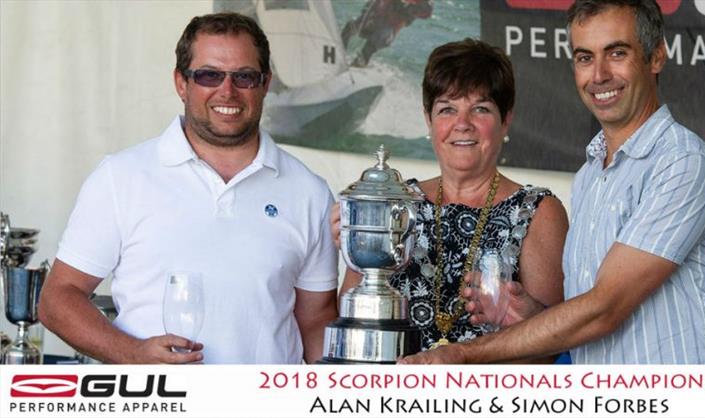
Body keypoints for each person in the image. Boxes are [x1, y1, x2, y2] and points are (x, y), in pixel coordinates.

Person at [400, 0, 705, 364]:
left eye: (617, 53)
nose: (599, 75)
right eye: (584, 57)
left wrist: (461, 355)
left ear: (656, 57)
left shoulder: (682, 163)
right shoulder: (591, 173)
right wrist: (531, 319)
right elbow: (582, 315)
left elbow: (604, 309)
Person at [38, 13, 338, 364]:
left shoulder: (310, 192)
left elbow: (316, 321)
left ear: (265, 83)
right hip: (155, 405)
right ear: (181, 83)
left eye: (244, 76)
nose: (227, 91)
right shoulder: (121, 177)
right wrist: (132, 353)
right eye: (209, 75)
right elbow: (58, 298)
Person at [333, 38, 568, 356]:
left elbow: (555, 348)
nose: (462, 124)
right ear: (429, 119)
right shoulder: (393, 204)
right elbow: (354, 321)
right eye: (447, 109)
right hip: (394, 399)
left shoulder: (539, 211)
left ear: (506, 119)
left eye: (480, 109)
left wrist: (530, 319)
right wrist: (355, 242)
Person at [341, 0, 433, 67]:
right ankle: (339, 55)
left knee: (370, 45)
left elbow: (427, 13)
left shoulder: (422, 6)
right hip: (372, 21)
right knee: (349, 27)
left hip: (387, 31)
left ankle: (358, 67)